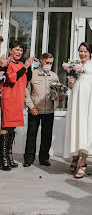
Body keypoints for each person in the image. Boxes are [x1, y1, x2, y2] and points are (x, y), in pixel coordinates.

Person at [63, 19, 92, 178]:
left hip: (89, 101)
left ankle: (83, 161)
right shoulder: (74, 65)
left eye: (84, 51)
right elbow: (70, 87)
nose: (82, 53)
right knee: (76, 125)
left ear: (89, 53)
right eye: (80, 51)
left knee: (87, 127)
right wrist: (70, 83)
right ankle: (75, 155)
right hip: (76, 101)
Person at [0, 41, 34, 171]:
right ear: (10, 50)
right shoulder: (6, 63)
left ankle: (8, 156)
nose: (19, 52)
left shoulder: (21, 64)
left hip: (18, 99)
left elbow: (28, 78)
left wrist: (29, 66)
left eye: (21, 50)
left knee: (12, 127)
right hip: (8, 98)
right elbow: (11, 78)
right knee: (5, 126)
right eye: (16, 49)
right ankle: (2, 159)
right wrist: (24, 67)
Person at [23, 53, 60, 167]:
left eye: (51, 63)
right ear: (40, 62)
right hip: (35, 110)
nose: (49, 65)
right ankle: (28, 159)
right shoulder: (33, 75)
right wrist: (31, 107)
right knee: (31, 135)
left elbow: (57, 94)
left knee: (47, 136)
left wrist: (59, 97)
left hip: (49, 111)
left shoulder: (54, 76)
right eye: (47, 63)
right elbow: (26, 92)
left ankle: (44, 158)